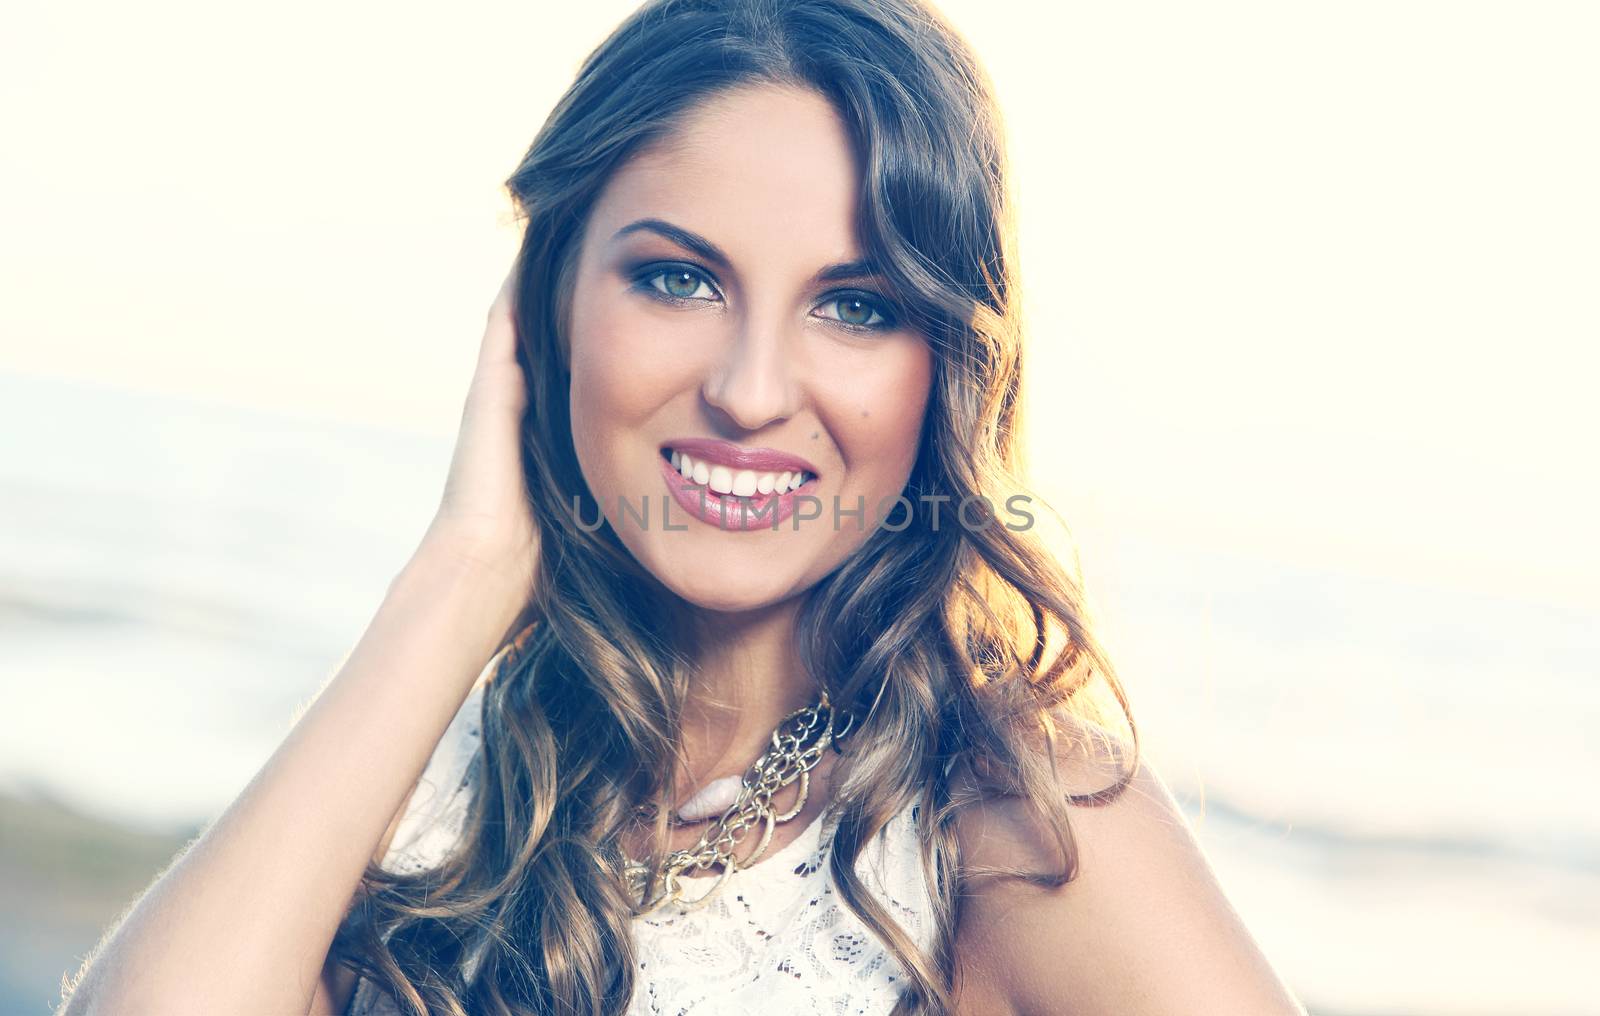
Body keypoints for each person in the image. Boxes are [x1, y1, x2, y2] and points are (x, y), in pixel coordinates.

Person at [58, 0, 1306, 1013]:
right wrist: (458, 577)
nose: (752, 391)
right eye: (676, 278)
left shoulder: (1018, 826)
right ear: (545, 307)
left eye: (856, 304)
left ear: (944, 367)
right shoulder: (456, 771)